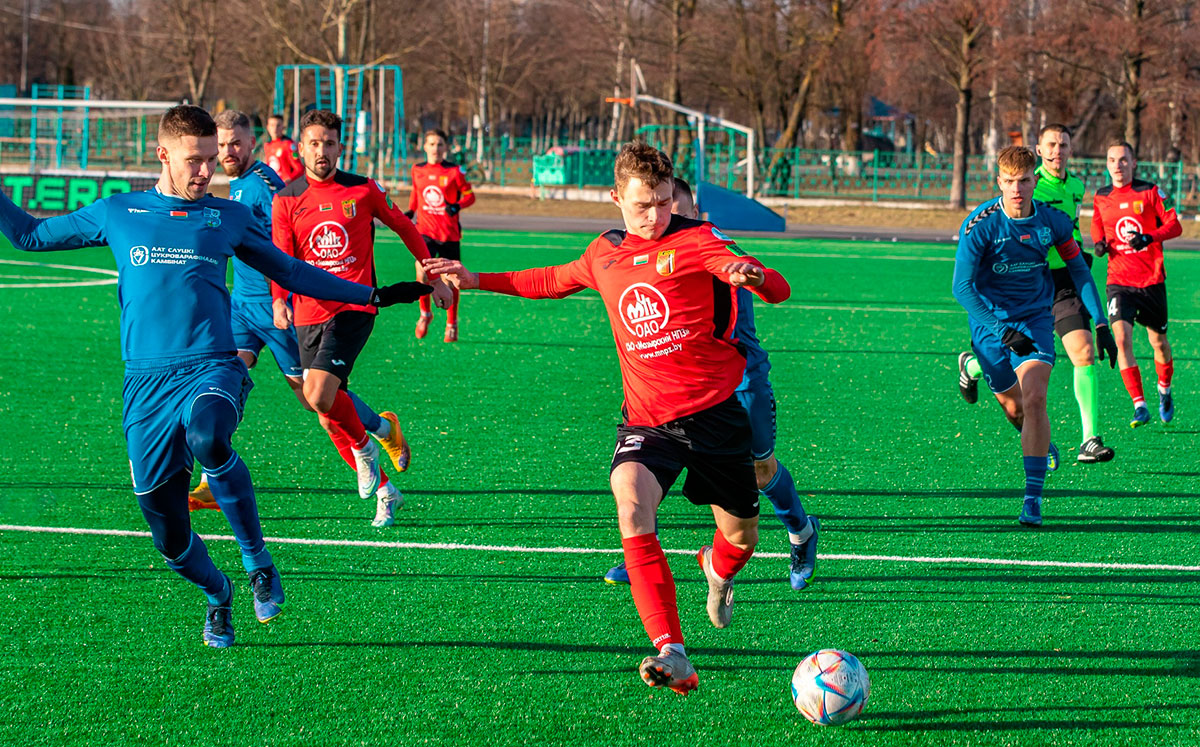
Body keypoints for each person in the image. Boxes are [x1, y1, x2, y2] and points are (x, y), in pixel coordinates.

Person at [0, 105, 430, 647]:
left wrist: (372, 294)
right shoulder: (117, 212)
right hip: (146, 387)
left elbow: (291, 270)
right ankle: (219, 593)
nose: (207, 170)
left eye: (211, 159)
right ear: (162, 156)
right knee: (170, 538)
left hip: (212, 365)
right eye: (195, 160)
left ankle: (258, 561)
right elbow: (31, 237)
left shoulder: (226, 217)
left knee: (209, 436)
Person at [424, 142, 791, 695]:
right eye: (644, 204)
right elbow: (549, 279)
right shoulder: (605, 252)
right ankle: (672, 649)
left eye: (665, 203)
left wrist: (752, 276)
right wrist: (476, 280)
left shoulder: (697, 239)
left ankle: (717, 571)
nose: (655, 215)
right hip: (648, 421)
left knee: (740, 538)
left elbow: (778, 287)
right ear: (616, 196)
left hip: (717, 418)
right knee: (630, 502)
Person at [187, 110, 412, 520]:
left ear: (252, 142)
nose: (226, 152)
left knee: (321, 407)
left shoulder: (268, 188)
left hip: (286, 314)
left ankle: (381, 430)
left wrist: (285, 299)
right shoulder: (234, 187)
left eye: (234, 143)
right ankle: (212, 479)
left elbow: (290, 247)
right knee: (221, 382)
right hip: (244, 309)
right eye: (220, 145)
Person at [603, 176, 819, 590]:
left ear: (696, 218)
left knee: (759, 468)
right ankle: (643, 554)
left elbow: (773, 283)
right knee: (649, 460)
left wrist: (754, 276)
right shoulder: (649, 248)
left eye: (677, 213)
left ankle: (802, 531)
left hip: (740, 380)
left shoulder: (709, 243)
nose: (665, 223)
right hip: (678, 383)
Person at [272, 109, 452, 527]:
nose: (321, 151)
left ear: (340, 147)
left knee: (318, 393)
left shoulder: (363, 189)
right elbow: (280, 259)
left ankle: (366, 447)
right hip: (306, 314)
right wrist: (279, 300)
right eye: (313, 143)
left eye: (329, 143)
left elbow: (406, 228)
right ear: (301, 147)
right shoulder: (286, 197)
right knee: (326, 411)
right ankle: (386, 479)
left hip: (354, 306)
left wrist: (434, 274)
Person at [951, 146, 1116, 528]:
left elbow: (1078, 271)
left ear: (1034, 181)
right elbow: (961, 289)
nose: (1017, 189)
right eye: (1008, 182)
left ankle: (1033, 498)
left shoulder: (1054, 221)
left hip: (1036, 319)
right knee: (1016, 410)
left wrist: (1101, 322)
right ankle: (974, 364)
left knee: (1036, 397)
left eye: (1024, 181)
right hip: (991, 324)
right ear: (998, 182)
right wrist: (1001, 330)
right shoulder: (980, 225)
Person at [1091, 138, 1183, 427]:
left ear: (1133, 163)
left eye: (1122, 160)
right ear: (1106, 165)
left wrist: (1150, 237)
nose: (1117, 166)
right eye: (1111, 160)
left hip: (1151, 280)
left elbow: (1175, 225)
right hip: (1119, 280)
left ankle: (1164, 391)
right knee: (1121, 339)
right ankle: (1139, 405)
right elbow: (1097, 222)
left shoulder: (1150, 191)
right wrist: (1099, 243)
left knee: (1159, 342)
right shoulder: (1101, 196)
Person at [408, 129, 475, 343]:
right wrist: (410, 211)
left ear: (445, 147)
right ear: (424, 146)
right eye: (431, 144)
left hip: (448, 235)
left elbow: (470, 195)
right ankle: (425, 314)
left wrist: (457, 206)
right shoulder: (417, 170)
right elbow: (416, 193)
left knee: (451, 281)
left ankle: (451, 323)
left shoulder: (454, 171)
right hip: (424, 232)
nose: (435, 148)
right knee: (422, 273)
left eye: (439, 144)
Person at [262, 113, 304, 184]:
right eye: (272, 125)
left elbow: (299, 169)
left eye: (278, 125)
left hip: (285, 187)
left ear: (283, 127)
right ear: (268, 127)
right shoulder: (267, 145)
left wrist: (288, 180)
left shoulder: (288, 144)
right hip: (273, 186)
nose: (275, 128)